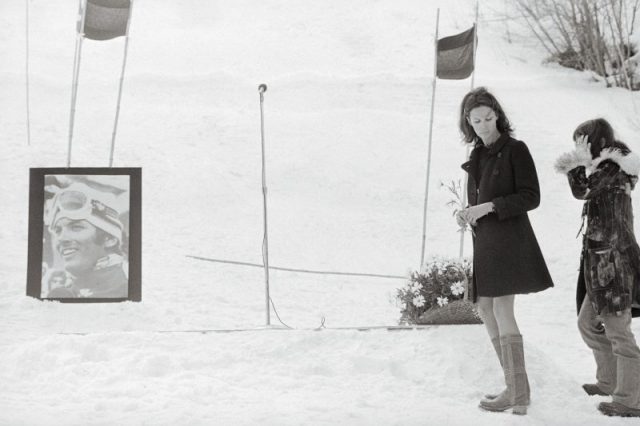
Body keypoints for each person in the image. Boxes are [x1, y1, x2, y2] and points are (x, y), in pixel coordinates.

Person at [456, 87, 553, 415]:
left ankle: (517, 393)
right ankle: (516, 388)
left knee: (501, 310)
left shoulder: (515, 149)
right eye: (476, 120)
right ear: (468, 123)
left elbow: (531, 196)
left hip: (510, 239)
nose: (483, 125)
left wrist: (488, 207)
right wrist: (468, 211)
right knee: (485, 308)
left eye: (487, 118)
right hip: (486, 242)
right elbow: (479, 199)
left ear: (497, 115)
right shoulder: (477, 156)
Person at [555, 118, 640, 418]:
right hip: (600, 265)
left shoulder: (612, 167)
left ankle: (631, 400)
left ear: (597, 143)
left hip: (613, 265)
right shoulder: (608, 169)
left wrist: (576, 163)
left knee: (619, 332)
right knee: (587, 323)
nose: (579, 149)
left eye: (582, 143)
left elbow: (582, 190)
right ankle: (609, 381)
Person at [44, 182, 128, 298]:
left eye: (76, 227)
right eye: (58, 231)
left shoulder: (129, 290)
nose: (61, 238)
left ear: (109, 239)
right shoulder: (61, 294)